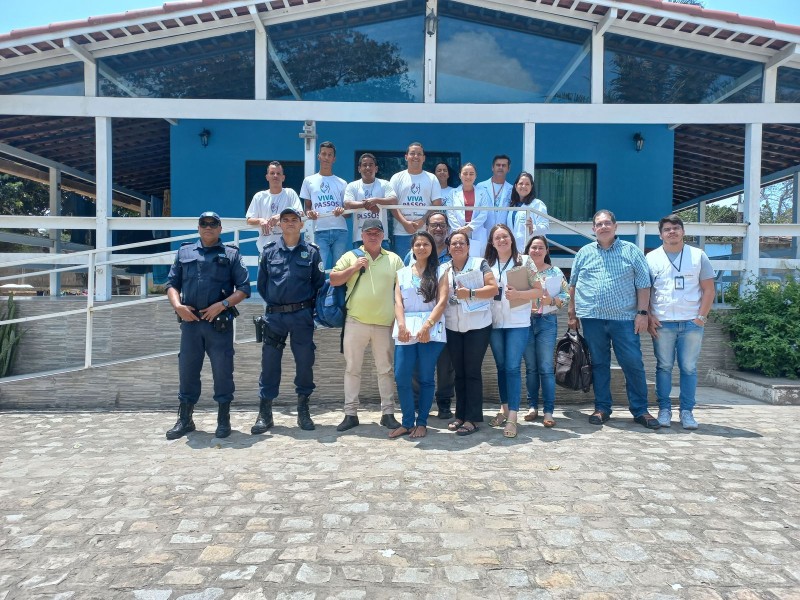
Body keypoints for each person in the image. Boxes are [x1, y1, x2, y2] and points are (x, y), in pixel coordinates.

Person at [568, 209, 660, 429]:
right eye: (599, 224)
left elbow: (643, 285)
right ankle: (602, 408)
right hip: (592, 319)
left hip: (625, 319)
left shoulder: (632, 251)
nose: (603, 227)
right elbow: (573, 284)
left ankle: (640, 410)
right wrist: (572, 313)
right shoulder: (584, 252)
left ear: (615, 226)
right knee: (599, 364)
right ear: (593, 229)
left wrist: (642, 313)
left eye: (607, 223)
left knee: (633, 363)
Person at [165, 212, 251, 440]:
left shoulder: (231, 254)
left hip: (218, 324)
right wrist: (178, 306)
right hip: (191, 323)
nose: (208, 227)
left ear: (220, 229)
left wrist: (222, 305)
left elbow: (244, 288)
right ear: (198, 227)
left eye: (214, 224)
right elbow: (171, 284)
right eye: (204, 224)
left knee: (223, 372)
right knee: (187, 371)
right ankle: (185, 419)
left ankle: (223, 419)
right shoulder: (184, 252)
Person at [251, 207, 324, 434]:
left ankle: (303, 410)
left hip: (302, 316)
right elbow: (262, 285)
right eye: (286, 220)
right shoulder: (269, 252)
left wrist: (307, 309)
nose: (290, 223)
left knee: (304, 363)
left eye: (295, 219)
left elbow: (319, 284)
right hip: (275, 317)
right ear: (279, 224)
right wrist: (275, 305)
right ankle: (265, 413)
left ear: (302, 225)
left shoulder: (312, 252)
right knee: (270, 364)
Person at [330, 219, 404, 432]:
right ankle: (350, 414)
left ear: (383, 236)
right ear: (361, 235)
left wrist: (399, 321)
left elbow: (402, 290)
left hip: (384, 324)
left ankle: (387, 413)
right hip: (355, 322)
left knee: (386, 370)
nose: (373, 236)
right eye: (369, 232)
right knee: (352, 369)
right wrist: (353, 268)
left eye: (377, 232)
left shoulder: (394, 260)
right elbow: (334, 279)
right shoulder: (351, 256)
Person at [647, 214, 715, 430]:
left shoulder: (698, 256)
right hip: (663, 323)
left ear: (683, 231)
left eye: (676, 228)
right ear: (660, 234)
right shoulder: (651, 258)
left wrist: (701, 318)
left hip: (691, 323)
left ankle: (687, 412)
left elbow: (709, 289)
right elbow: (645, 291)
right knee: (664, 367)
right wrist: (649, 315)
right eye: (667, 229)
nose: (672, 232)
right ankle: (664, 409)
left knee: (688, 368)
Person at [485, 224, 542, 438]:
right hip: (494, 323)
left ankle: (513, 418)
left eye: (505, 236)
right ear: (492, 242)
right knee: (501, 367)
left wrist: (519, 294)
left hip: (517, 323)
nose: (501, 240)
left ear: (512, 239)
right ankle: (504, 408)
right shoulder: (487, 263)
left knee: (512, 367)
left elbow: (539, 290)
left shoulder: (525, 261)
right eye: (497, 237)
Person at [391, 231, 449, 439]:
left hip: (430, 330)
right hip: (405, 329)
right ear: (412, 248)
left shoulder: (440, 271)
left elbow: (442, 301)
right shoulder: (402, 273)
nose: (422, 248)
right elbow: (398, 302)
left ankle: (422, 422)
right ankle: (407, 422)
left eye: (426, 244)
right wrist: (402, 325)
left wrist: (427, 326)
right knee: (402, 376)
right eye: (418, 244)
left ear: (432, 247)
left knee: (425, 377)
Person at [441, 231, 498, 436]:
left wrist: (471, 294)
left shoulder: (480, 263)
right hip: (452, 326)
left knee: (472, 371)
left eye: (461, 243)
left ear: (468, 246)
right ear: (448, 248)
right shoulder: (443, 269)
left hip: (478, 326)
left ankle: (472, 418)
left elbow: (493, 289)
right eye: (454, 243)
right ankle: (460, 415)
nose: (457, 246)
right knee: (459, 372)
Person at [403, 211, 455, 419]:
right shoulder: (411, 256)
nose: (438, 229)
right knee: (417, 365)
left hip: (445, 316)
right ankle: (417, 404)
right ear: (426, 228)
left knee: (445, 364)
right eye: (434, 225)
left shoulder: (452, 253)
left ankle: (443, 403)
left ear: (447, 228)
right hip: (415, 318)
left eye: (442, 225)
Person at [522, 235, 569, 428]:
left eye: (541, 247)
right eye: (533, 247)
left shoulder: (555, 271)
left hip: (547, 321)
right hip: (525, 321)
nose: (536, 251)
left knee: (546, 368)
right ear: (528, 250)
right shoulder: (521, 272)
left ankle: (548, 410)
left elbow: (565, 295)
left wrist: (552, 300)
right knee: (531, 367)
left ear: (547, 251)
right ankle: (532, 406)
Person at [389, 142, 443, 258]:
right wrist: (404, 223)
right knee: (404, 266)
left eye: (419, 154)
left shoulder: (432, 178)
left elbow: (437, 204)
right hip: (401, 232)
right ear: (406, 157)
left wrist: (422, 221)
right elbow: (392, 204)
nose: (416, 156)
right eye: (412, 153)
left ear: (424, 158)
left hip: (425, 232)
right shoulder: (396, 178)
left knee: (427, 265)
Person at [301, 141, 349, 270]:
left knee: (339, 269)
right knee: (319, 269)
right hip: (320, 231)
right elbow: (307, 208)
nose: (326, 157)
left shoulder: (342, 183)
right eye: (324, 154)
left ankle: (336, 291)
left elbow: (348, 213)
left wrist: (342, 210)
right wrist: (310, 213)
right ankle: (320, 291)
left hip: (340, 231)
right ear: (319, 157)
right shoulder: (308, 181)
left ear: (334, 158)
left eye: (329, 155)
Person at [246, 161, 304, 254]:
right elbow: (249, 219)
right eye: (272, 173)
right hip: (265, 249)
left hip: (289, 248)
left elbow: (300, 213)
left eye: (278, 173)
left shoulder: (290, 193)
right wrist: (260, 220)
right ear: (267, 177)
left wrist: (280, 217)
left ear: (283, 177)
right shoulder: (259, 196)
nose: (275, 176)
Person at [343, 152, 395, 250]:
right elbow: (347, 203)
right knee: (361, 265)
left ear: (376, 168)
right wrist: (365, 204)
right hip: (359, 237)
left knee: (382, 265)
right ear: (359, 169)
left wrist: (376, 200)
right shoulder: (352, 186)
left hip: (381, 237)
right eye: (364, 165)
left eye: (371, 165)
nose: (367, 168)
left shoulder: (384, 184)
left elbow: (393, 199)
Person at [447, 162, 491, 257]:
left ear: (475, 176)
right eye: (465, 173)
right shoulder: (453, 193)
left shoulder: (482, 193)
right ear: (460, 175)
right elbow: (450, 213)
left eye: (471, 174)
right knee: (458, 257)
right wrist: (459, 230)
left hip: (476, 230)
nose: (468, 176)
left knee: (476, 260)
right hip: (457, 230)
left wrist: (470, 227)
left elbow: (484, 213)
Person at [507, 171, 549, 253]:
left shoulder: (537, 204)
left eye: (527, 184)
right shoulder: (513, 206)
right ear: (515, 186)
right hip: (514, 251)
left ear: (531, 186)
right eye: (521, 183)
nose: (523, 186)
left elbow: (545, 228)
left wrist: (532, 228)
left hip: (531, 250)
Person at [476, 154, 513, 238]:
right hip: (483, 232)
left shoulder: (512, 190)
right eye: (498, 165)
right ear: (492, 167)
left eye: (504, 165)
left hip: (503, 235)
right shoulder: (480, 187)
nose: (500, 167)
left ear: (508, 169)